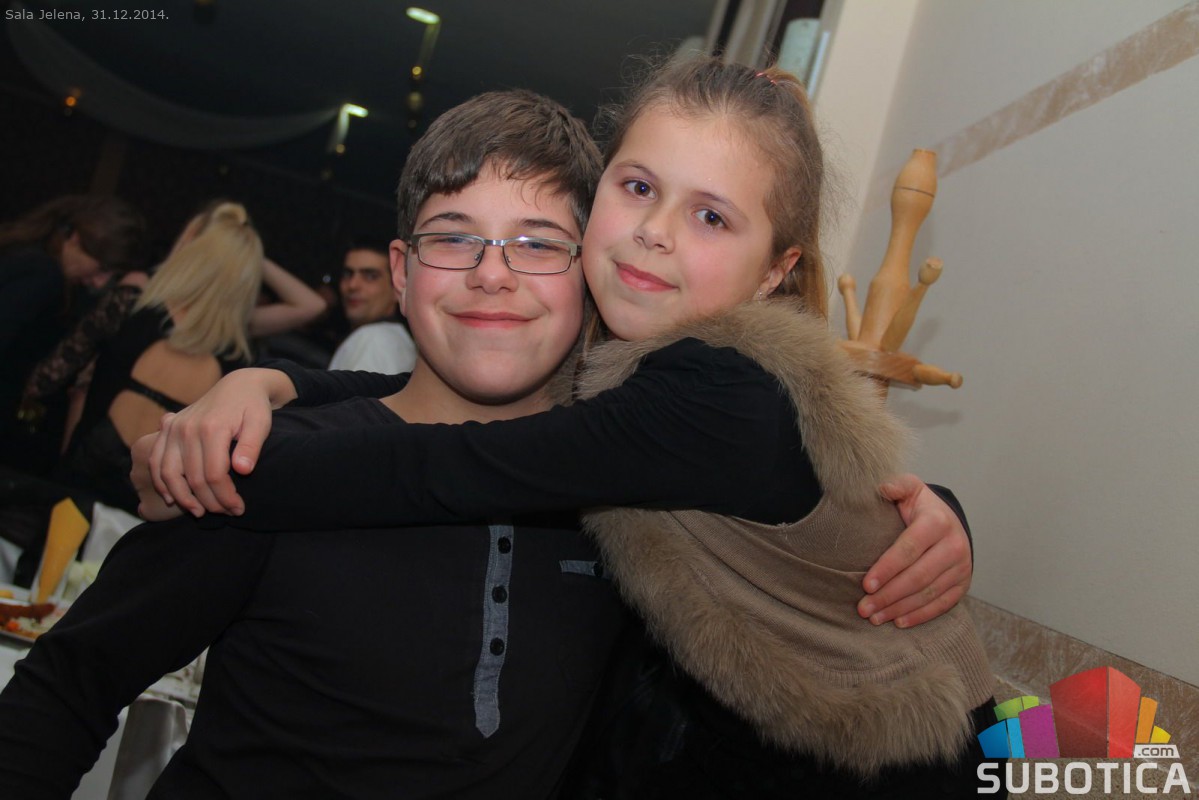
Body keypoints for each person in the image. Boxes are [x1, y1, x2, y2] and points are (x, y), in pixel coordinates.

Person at [140, 60, 992, 797]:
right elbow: (435, 398)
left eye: (710, 217)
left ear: (775, 271)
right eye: (638, 188)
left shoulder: (716, 387)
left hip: (897, 762)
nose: (654, 233)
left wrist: (217, 465)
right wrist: (274, 381)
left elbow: (448, 463)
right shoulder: (636, 363)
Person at [0, 89, 633, 799]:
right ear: (402, 273)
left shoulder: (623, 506)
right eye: (453, 238)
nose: (491, 274)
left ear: (588, 279)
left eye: (537, 244)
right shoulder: (268, 463)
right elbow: (68, 687)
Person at [54, 202, 271, 515]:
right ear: (246, 280)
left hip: (85, 478)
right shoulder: (238, 362)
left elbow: (83, 391)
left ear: (191, 253)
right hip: (153, 502)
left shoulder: (137, 310)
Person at [0, 195, 146, 471]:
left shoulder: (27, 251)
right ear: (76, 239)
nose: (100, 282)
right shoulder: (44, 275)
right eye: (102, 267)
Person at [327, 237, 416, 373]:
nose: (352, 285)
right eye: (347, 274)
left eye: (370, 276)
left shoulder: (374, 339)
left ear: (397, 288)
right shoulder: (394, 338)